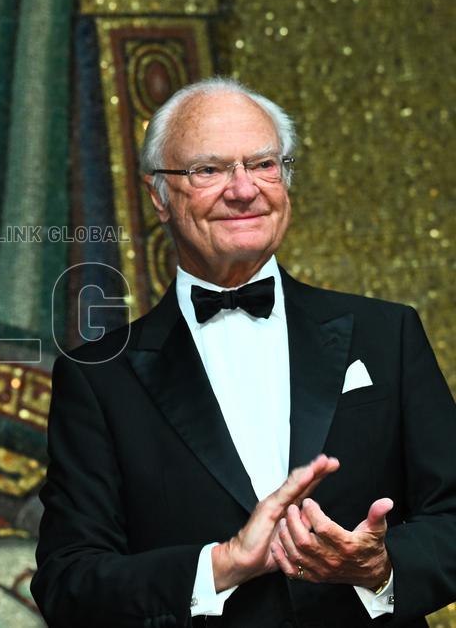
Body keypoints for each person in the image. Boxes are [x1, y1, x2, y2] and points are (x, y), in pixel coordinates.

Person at [31, 77, 456, 627]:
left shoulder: (387, 334)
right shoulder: (99, 377)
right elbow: (68, 583)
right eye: (208, 170)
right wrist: (222, 565)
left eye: (263, 164)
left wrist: (382, 567)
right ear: (159, 196)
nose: (243, 189)